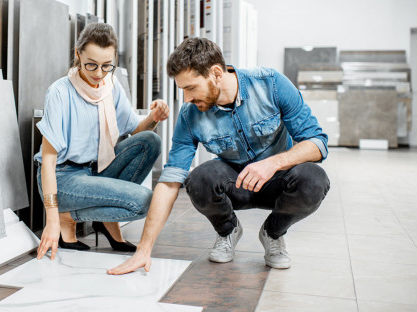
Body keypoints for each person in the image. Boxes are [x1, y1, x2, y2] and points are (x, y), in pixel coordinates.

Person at [109, 38, 331, 273]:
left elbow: (317, 142)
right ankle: (228, 230)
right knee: (199, 179)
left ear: (216, 73)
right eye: (182, 89)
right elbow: (170, 181)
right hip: (235, 184)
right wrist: (143, 250)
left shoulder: (271, 84)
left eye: (191, 88)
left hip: (278, 180)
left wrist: (273, 163)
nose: (186, 99)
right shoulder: (189, 115)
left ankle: (273, 233)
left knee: (314, 180)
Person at [34, 23, 170, 260]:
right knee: (145, 201)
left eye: (106, 66)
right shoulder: (59, 92)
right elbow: (48, 161)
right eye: (91, 65)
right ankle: (69, 217)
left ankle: (105, 222)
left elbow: (136, 129)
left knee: (150, 140)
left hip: (94, 170)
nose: (98, 73)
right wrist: (52, 218)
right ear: (78, 55)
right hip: (62, 177)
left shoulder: (110, 85)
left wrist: (153, 118)